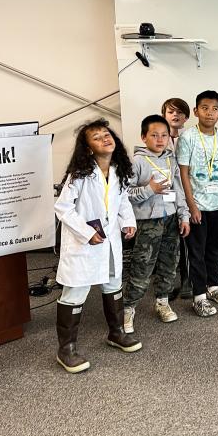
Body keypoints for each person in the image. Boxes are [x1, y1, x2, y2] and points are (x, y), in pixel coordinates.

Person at [54, 119, 141, 373]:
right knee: (75, 293)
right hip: (84, 243)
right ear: (88, 148)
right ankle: (66, 350)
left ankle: (116, 333)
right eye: (97, 137)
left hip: (109, 240)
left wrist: (128, 222)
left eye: (107, 134)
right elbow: (63, 208)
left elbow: (122, 200)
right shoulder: (79, 175)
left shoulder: (118, 170)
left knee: (113, 284)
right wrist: (86, 232)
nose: (105, 138)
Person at [123, 115, 190, 334]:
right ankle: (128, 307)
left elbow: (178, 190)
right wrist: (150, 189)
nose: (160, 139)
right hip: (147, 222)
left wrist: (184, 216)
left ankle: (162, 301)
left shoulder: (171, 160)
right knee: (142, 266)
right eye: (154, 135)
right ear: (144, 137)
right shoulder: (136, 162)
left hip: (170, 219)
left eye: (164, 135)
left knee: (169, 263)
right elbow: (124, 195)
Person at [177, 90, 218, 317]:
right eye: (204, 108)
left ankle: (214, 287)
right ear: (195, 111)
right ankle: (199, 296)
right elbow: (184, 173)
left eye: (214, 109)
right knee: (197, 252)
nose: (209, 113)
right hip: (198, 206)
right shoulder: (188, 138)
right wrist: (192, 206)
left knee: (216, 249)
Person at [161, 97, 192, 301]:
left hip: (186, 195)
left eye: (180, 112)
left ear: (186, 117)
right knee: (167, 244)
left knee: (187, 241)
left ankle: (187, 281)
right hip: (163, 198)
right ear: (164, 114)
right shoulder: (157, 138)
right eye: (171, 111)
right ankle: (167, 284)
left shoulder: (189, 138)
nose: (175, 115)